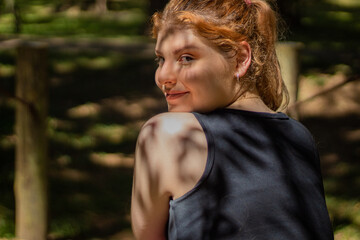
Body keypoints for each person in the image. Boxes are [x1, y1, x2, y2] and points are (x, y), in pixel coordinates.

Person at [131, 0, 334, 239]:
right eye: (161, 59)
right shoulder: (299, 135)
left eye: (186, 58)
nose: (163, 76)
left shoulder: (167, 134)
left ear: (240, 58)